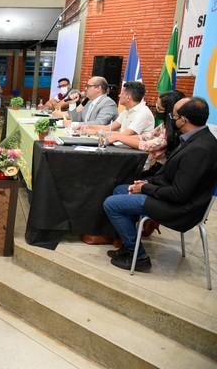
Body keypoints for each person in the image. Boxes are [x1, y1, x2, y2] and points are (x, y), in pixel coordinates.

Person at [103, 97, 217, 271]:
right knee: (120, 190)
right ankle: (129, 246)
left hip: (181, 208)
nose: (171, 118)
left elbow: (179, 193)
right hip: (172, 196)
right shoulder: (194, 137)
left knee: (111, 204)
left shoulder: (199, 149)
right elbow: (170, 175)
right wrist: (145, 182)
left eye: (174, 115)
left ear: (183, 120)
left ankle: (139, 257)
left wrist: (145, 187)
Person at [108, 90, 186, 174]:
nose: (157, 110)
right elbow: (147, 136)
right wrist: (118, 137)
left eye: (159, 108)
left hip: (163, 171)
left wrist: (118, 137)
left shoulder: (175, 130)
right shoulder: (165, 124)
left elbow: (148, 146)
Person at [81, 81, 154, 136]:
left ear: (128, 97)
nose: (119, 95)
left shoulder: (143, 113)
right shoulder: (127, 111)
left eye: (122, 93)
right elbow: (108, 128)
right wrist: (86, 126)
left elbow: (125, 135)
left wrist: (95, 132)